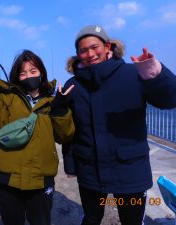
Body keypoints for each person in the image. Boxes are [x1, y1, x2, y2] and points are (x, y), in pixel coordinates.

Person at [62, 24, 176, 225]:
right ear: (77, 54)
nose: (90, 54)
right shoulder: (73, 85)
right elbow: (70, 131)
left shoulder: (133, 74)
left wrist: (153, 73)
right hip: (89, 170)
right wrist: (71, 165)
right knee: (91, 218)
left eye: (94, 47)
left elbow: (170, 100)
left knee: (131, 221)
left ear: (107, 47)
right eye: (83, 50)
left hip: (130, 169)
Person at [0, 49, 75, 225]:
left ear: (42, 73)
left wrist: (61, 110)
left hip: (41, 181)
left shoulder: (53, 101)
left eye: (33, 71)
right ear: (16, 77)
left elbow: (65, 135)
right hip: (6, 180)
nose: (28, 76)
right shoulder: (3, 98)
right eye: (22, 73)